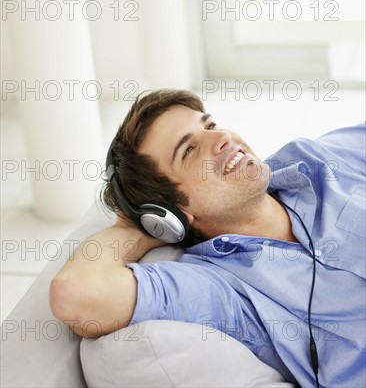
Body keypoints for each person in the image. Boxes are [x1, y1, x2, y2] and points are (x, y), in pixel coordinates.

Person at [50, 89, 365, 388]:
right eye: (189, 150)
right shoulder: (221, 289)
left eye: (210, 125)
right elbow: (76, 295)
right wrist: (132, 228)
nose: (222, 138)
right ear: (170, 212)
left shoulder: (310, 159)